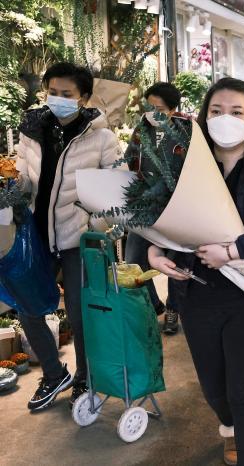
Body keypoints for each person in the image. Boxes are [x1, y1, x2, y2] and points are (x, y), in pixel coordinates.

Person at [148, 78, 244, 466]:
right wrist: (154, 251)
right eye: (216, 111)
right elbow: (158, 219)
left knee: (242, 390)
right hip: (195, 292)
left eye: (236, 112)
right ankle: (227, 425)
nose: (224, 119)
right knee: (213, 389)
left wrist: (231, 251)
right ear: (203, 116)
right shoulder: (183, 166)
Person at [15, 62, 122, 410]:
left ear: (84, 97)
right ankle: (52, 372)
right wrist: (13, 190)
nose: (58, 99)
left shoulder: (101, 137)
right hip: (36, 234)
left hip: (79, 239)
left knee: (80, 314)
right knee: (28, 305)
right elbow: (23, 178)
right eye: (53, 92)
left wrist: (95, 228)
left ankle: (85, 378)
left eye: (67, 94)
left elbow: (116, 193)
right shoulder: (31, 130)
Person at [124, 82, 189, 335]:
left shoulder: (187, 131)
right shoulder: (141, 130)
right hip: (144, 205)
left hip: (176, 208)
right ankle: (152, 304)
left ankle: (174, 309)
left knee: (174, 261)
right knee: (134, 260)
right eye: (149, 106)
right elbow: (130, 158)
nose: (153, 112)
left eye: (159, 108)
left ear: (173, 109)